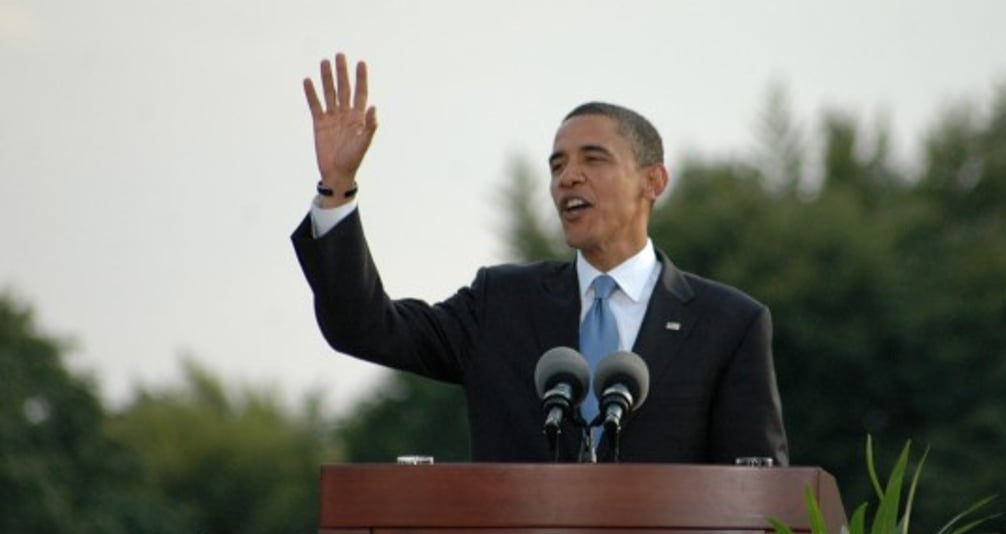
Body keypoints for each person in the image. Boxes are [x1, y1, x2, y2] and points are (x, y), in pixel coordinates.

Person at [292, 54, 788, 464]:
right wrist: (337, 188)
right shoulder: (501, 304)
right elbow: (364, 327)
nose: (568, 177)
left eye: (593, 159)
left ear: (652, 182)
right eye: (557, 165)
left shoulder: (728, 324)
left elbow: (760, 491)